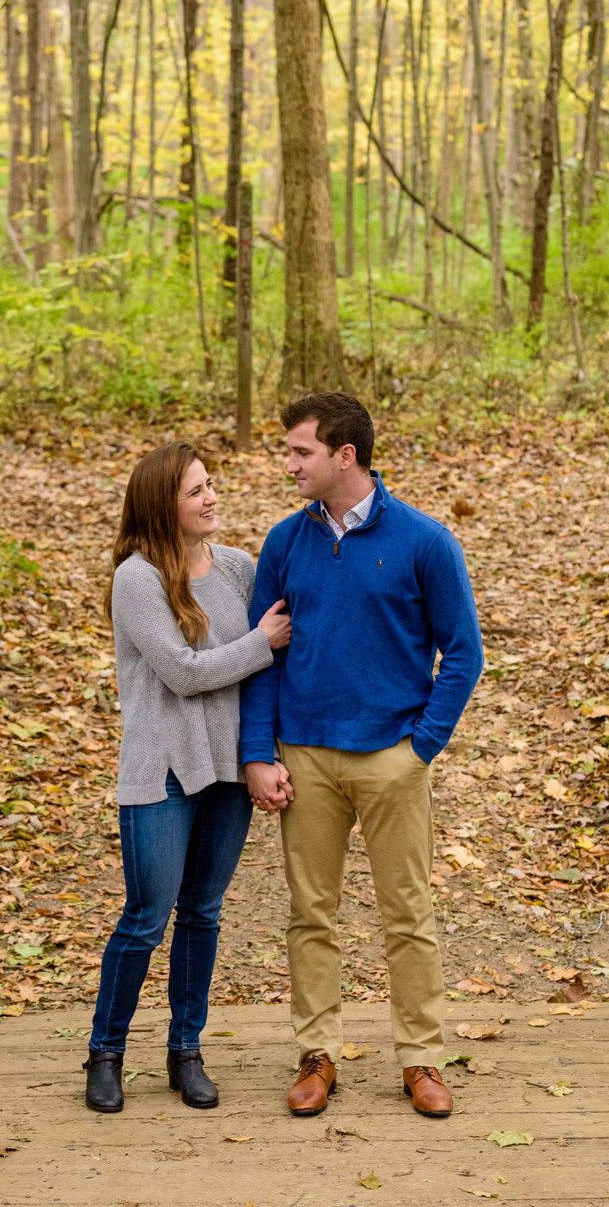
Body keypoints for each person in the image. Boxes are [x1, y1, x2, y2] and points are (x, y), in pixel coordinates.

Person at [240, 393, 485, 1119]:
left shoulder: (424, 541)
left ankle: (421, 1058)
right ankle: (317, 1054)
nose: (289, 464)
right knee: (310, 913)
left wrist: (421, 749)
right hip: (306, 756)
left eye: (300, 452)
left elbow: (464, 653)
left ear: (345, 455)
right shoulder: (285, 543)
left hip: (392, 757)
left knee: (407, 914)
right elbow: (264, 655)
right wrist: (260, 751)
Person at [86, 442, 292, 1113]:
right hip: (163, 772)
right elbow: (182, 671)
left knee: (202, 913)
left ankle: (186, 1051)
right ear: (160, 505)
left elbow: (273, 669)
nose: (211, 498)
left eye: (211, 485)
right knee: (146, 918)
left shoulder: (237, 568)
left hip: (229, 770)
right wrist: (262, 643)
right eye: (195, 491)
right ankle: (107, 1052)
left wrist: (267, 749)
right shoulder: (137, 578)